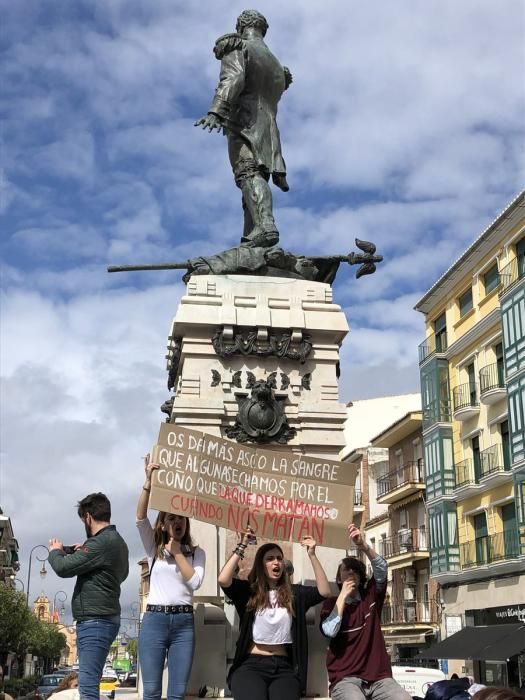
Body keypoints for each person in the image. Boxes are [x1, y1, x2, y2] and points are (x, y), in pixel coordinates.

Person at [195, 10, 292, 248]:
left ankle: (266, 226)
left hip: (245, 122)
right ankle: (253, 235)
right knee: (255, 178)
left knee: (248, 174)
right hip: (268, 128)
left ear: (241, 26)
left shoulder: (239, 46)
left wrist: (216, 110)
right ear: (263, 29)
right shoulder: (276, 64)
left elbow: (233, 78)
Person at [218, 525, 331, 700]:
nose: (276, 562)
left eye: (279, 558)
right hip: (251, 665)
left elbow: (324, 592)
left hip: (283, 667)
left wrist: (312, 555)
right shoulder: (249, 592)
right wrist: (243, 544)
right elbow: (223, 579)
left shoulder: (295, 594)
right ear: (261, 565)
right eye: (270, 559)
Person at [137, 455, 206, 700]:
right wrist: (148, 483)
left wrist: (177, 554)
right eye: (172, 518)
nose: (178, 522)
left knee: (177, 693)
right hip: (154, 620)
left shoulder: (197, 553)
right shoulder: (153, 549)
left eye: (181, 519)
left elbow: (195, 582)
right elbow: (140, 518)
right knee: (152, 691)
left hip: (183, 624)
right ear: (164, 525)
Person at [48, 494, 129, 700]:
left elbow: (62, 568)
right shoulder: (119, 543)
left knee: (88, 686)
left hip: (95, 621)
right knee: (90, 681)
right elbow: (122, 574)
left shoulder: (100, 543)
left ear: (88, 517)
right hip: (104, 618)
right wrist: (82, 553)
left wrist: (55, 551)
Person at [320, 524, 411, 700]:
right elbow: (330, 630)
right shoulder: (331, 604)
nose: (351, 572)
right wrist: (343, 596)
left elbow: (382, 569)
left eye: (355, 570)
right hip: (346, 679)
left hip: (380, 678)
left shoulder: (370, 597)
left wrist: (364, 546)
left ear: (361, 577)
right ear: (339, 579)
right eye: (346, 570)